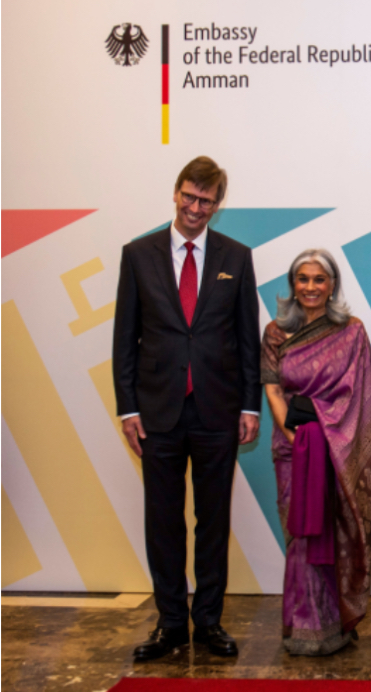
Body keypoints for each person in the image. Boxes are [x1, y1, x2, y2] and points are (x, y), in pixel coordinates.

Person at [113, 156, 260, 660]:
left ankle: (209, 622)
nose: (196, 208)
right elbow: (125, 338)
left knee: (213, 522)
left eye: (207, 201)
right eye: (190, 197)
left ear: (218, 205)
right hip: (157, 412)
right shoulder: (138, 254)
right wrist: (128, 408)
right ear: (176, 193)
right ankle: (171, 623)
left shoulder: (237, 256)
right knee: (164, 522)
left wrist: (251, 405)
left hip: (218, 410)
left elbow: (247, 338)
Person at [262, 249, 371, 656]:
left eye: (319, 279)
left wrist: (324, 438)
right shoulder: (276, 332)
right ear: (293, 285)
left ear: (332, 286)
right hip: (292, 450)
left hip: (336, 450)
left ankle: (334, 624)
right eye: (303, 279)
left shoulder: (352, 331)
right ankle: (303, 627)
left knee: (335, 531)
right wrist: (294, 437)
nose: (310, 287)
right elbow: (273, 389)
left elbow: (359, 395)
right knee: (300, 535)